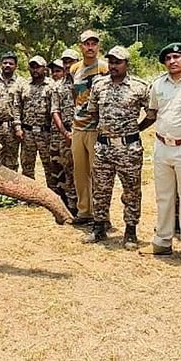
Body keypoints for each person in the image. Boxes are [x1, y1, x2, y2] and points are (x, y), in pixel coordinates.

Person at [138, 42, 181, 257]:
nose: (172, 61)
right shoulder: (158, 84)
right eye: (168, 58)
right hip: (162, 146)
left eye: (177, 57)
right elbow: (153, 112)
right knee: (164, 196)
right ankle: (162, 241)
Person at [83, 46, 152, 248]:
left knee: (131, 190)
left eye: (118, 62)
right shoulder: (99, 85)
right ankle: (99, 227)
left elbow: (151, 114)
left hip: (128, 148)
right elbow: (93, 111)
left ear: (126, 64)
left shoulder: (139, 86)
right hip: (104, 147)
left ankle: (130, 231)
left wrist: (135, 130)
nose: (113, 66)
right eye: (111, 62)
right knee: (101, 189)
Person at [69, 30, 110, 225]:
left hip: (96, 129)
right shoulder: (74, 69)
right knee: (80, 172)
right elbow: (74, 95)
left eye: (94, 43)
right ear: (81, 46)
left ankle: (102, 215)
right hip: (78, 127)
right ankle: (84, 211)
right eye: (87, 44)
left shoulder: (104, 68)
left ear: (98, 46)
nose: (90, 47)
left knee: (99, 173)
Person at [48, 58, 78, 215]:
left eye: (71, 62)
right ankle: (73, 207)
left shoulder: (87, 82)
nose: (68, 65)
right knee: (69, 170)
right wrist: (65, 133)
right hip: (66, 133)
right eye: (65, 62)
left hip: (85, 132)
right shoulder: (58, 86)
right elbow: (55, 111)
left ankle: (90, 208)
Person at [19, 56, 54, 180]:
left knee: (50, 167)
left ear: (44, 69)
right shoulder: (24, 85)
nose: (35, 70)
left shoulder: (51, 85)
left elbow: (55, 111)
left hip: (45, 133)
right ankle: (29, 197)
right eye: (32, 67)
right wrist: (18, 127)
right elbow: (18, 107)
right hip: (27, 132)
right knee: (27, 167)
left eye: (38, 67)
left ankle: (52, 195)